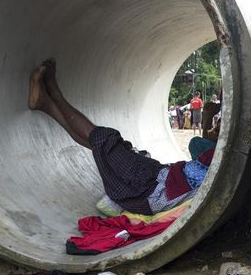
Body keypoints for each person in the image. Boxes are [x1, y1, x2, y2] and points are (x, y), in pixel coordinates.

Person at [27, 59, 210, 216]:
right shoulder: (221, 155)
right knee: (105, 146)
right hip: (158, 176)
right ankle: (46, 104)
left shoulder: (227, 164)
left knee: (105, 138)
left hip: (149, 190)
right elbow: (196, 144)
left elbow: (199, 146)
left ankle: (54, 94)